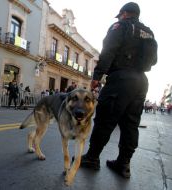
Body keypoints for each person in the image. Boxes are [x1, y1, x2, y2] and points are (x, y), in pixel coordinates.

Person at [79, 2, 157, 178]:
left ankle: (92, 158)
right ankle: (123, 164)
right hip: (141, 81)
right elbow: (154, 61)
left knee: (105, 119)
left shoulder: (120, 26)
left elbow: (108, 51)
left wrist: (97, 77)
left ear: (124, 14)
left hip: (121, 79)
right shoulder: (149, 33)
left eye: (120, 15)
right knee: (130, 124)